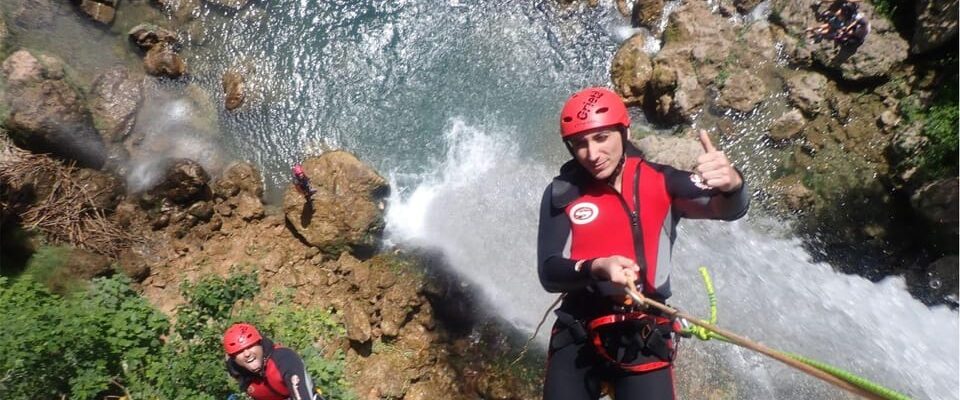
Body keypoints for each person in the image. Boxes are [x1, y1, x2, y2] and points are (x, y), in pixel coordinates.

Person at [536, 87, 749, 399]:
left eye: (601, 137)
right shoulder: (563, 193)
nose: (592, 154)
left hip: (644, 334)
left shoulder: (661, 180)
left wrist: (732, 184)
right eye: (580, 144)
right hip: (577, 332)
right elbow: (549, 271)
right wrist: (597, 266)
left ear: (625, 132)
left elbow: (725, 210)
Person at [223, 323, 324, 400]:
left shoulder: (284, 359)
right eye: (239, 351)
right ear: (234, 358)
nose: (246, 354)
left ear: (260, 344)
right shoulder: (236, 369)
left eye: (250, 346)